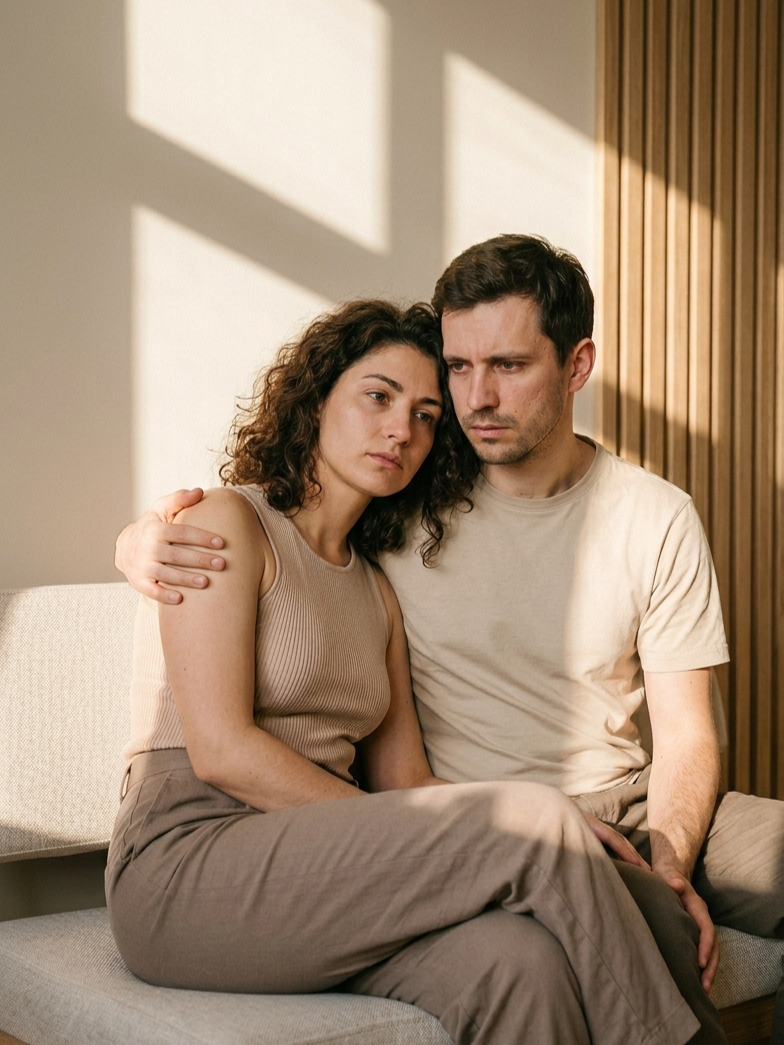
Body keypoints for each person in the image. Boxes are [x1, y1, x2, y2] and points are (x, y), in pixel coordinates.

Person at [107, 297, 701, 1045]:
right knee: (531, 815)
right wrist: (510, 827)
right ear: (318, 397)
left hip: (323, 869)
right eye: (378, 396)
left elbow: (408, 786)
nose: (402, 430)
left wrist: (569, 833)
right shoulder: (226, 521)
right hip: (187, 869)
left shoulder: (377, 590)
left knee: (519, 961)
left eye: (426, 414)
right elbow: (221, 751)